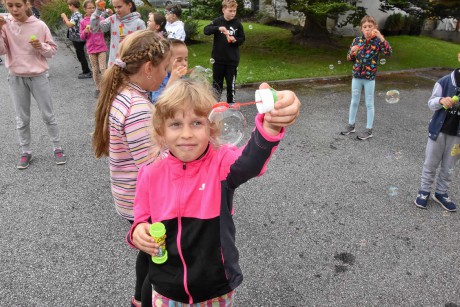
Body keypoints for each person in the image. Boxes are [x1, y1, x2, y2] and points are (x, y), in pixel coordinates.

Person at [126, 78, 301, 305]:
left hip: (215, 287)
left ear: (212, 126)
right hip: (166, 288)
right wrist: (138, 232)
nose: (187, 134)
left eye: (197, 123)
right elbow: (140, 220)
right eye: (176, 124)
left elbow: (251, 162)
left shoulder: (221, 164)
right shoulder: (150, 174)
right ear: (161, 131)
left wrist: (271, 125)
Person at [92, 30, 171, 307]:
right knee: (160, 262)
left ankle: (138, 299)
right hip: (143, 201)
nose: (166, 75)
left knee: (147, 253)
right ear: (149, 68)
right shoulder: (138, 108)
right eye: (165, 69)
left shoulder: (124, 92)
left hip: (128, 194)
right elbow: (154, 167)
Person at [0, 0, 67, 169]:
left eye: (18, 5)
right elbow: (2, 51)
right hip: (16, 76)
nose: (14, 9)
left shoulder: (39, 25)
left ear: (26, 4)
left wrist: (41, 46)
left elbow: (52, 51)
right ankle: (26, 151)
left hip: (38, 76)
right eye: (10, 5)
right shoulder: (5, 25)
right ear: (5, 5)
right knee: (22, 118)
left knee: (48, 115)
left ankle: (57, 147)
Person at [414, 66, 460, 212]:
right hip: (438, 132)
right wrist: (441, 100)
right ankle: (424, 190)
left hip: (457, 136)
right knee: (430, 163)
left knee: (449, 166)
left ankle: (441, 193)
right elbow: (431, 103)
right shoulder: (444, 81)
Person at [340, 15, 392, 140]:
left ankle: (369, 130)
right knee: (354, 101)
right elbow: (349, 58)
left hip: (369, 78)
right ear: (361, 29)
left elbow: (388, 52)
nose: (367, 29)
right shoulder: (357, 41)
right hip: (357, 76)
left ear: (375, 28)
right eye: (365, 27)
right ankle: (351, 125)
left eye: (370, 26)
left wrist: (381, 37)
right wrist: (352, 52)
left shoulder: (378, 42)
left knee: (369, 103)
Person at [203, 0, 245, 104]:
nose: (232, 13)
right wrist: (218, 28)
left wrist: (235, 40)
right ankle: (215, 104)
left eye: (234, 11)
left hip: (232, 60)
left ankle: (231, 105)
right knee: (217, 84)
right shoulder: (218, 21)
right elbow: (206, 30)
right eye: (230, 10)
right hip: (218, 59)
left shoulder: (237, 24)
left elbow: (242, 38)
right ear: (223, 10)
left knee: (231, 85)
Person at [92, 0, 145, 67]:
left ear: (129, 5)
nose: (116, 10)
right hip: (113, 64)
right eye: (115, 7)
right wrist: (98, 11)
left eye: (119, 7)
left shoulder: (139, 23)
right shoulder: (113, 19)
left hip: (132, 66)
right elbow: (94, 28)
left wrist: (131, 39)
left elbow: (145, 45)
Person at [80, 0, 108, 98]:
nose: (92, 10)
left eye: (93, 7)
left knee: (103, 68)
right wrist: (85, 31)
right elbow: (82, 37)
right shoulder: (83, 22)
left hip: (101, 48)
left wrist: (106, 13)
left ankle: (106, 87)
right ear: (85, 9)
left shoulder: (100, 18)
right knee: (95, 70)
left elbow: (105, 27)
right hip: (91, 49)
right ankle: (98, 88)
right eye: (89, 8)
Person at [150, 38, 187, 103]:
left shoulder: (183, 77)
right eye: (179, 60)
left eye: (186, 59)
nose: (184, 63)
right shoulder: (159, 79)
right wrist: (172, 80)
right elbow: (157, 103)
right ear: (165, 60)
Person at [61, 0, 92, 79]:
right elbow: (71, 24)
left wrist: (64, 17)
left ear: (72, 5)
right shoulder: (78, 14)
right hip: (78, 37)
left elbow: (70, 25)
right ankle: (87, 70)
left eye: (69, 5)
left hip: (77, 38)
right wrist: (66, 21)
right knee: (81, 54)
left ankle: (87, 71)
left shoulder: (76, 14)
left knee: (80, 54)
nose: (69, 7)